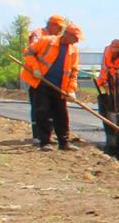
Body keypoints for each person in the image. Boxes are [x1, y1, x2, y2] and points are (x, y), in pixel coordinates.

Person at [22, 22, 80, 150]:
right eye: (75, 38)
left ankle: (64, 143)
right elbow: (28, 52)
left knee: (61, 115)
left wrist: (71, 90)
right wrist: (35, 68)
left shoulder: (73, 51)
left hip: (60, 87)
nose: (77, 41)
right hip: (42, 83)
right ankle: (45, 142)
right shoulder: (47, 41)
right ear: (67, 34)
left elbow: (73, 72)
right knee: (42, 112)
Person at [94, 38, 119, 115]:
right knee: (109, 96)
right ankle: (111, 110)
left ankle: (118, 108)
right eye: (115, 51)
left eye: (118, 51)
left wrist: (117, 76)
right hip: (106, 79)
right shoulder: (108, 52)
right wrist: (112, 76)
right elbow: (107, 67)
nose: (116, 53)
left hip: (116, 79)